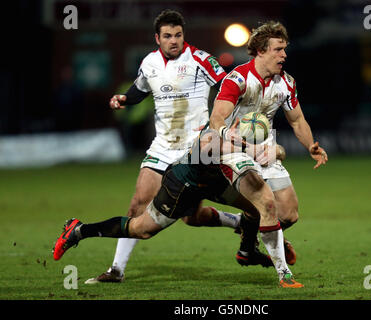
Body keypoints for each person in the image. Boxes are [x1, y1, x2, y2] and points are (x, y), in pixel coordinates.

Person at [87, 9, 242, 284]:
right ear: (157, 38)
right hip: (162, 147)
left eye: (178, 35)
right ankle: (116, 271)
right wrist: (124, 98)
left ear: (184, 36)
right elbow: (141, 88)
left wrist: (231, 121)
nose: (174, 40)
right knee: (137, 205)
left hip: (196, 149)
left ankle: (238, 222)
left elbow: (228, 85)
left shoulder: (200, 59)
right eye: (168, 36)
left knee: (191, 217)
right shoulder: (149, 62)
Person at [52, 123, 304, 288]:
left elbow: (275, 152)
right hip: (184, 184)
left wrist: (272, 151)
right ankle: (78, 230)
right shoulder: (215, 133)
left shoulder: (243, 133)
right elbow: (206, 149)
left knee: (255, 207)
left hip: (214, 185)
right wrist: (250, 147)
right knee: (142, 229)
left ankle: (248, 251)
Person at [182, 21, 328, 265]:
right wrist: (230, 133)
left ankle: (248, 243)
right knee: (194, 215)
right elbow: (217, 117)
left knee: (290, 215)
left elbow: (297, 119)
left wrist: (310, 145)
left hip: (265, 151)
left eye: (285, 49)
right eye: (278, 49)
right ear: (261, 50)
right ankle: (251, 240)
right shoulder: (237, 79)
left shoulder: (286, 83)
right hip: (232, 150)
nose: (284, 54)